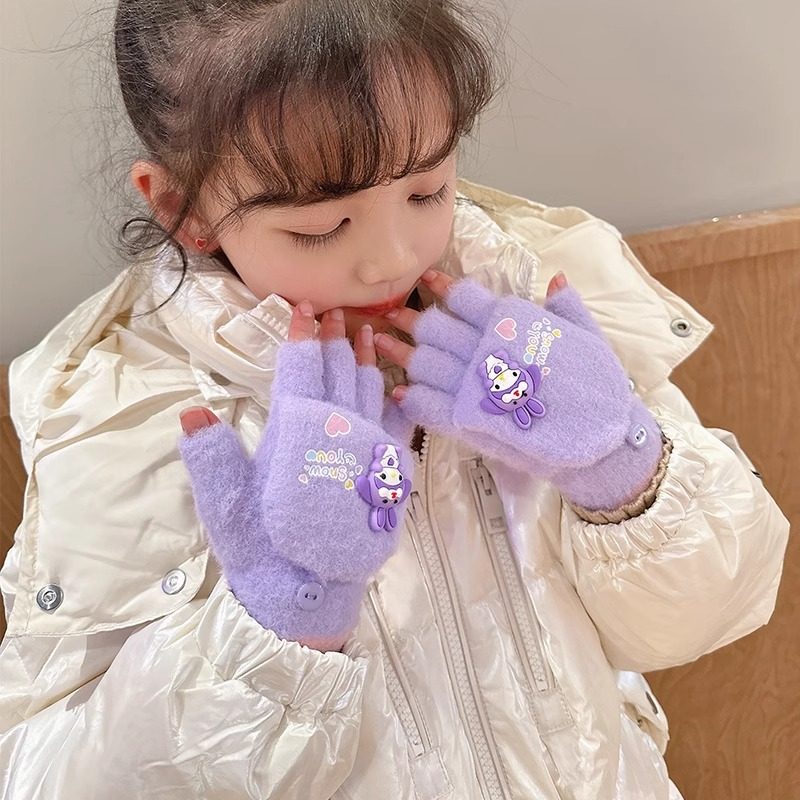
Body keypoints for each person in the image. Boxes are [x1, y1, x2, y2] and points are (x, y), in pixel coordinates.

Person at [0, 1, 790, 798]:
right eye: (320, 227)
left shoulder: (526, 299)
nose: (392, 259)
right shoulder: (123, 409)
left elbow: (706, 616)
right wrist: (278, 625)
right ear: (184, 209)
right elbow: (50, 779)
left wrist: (622, 463)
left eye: (427, 191)